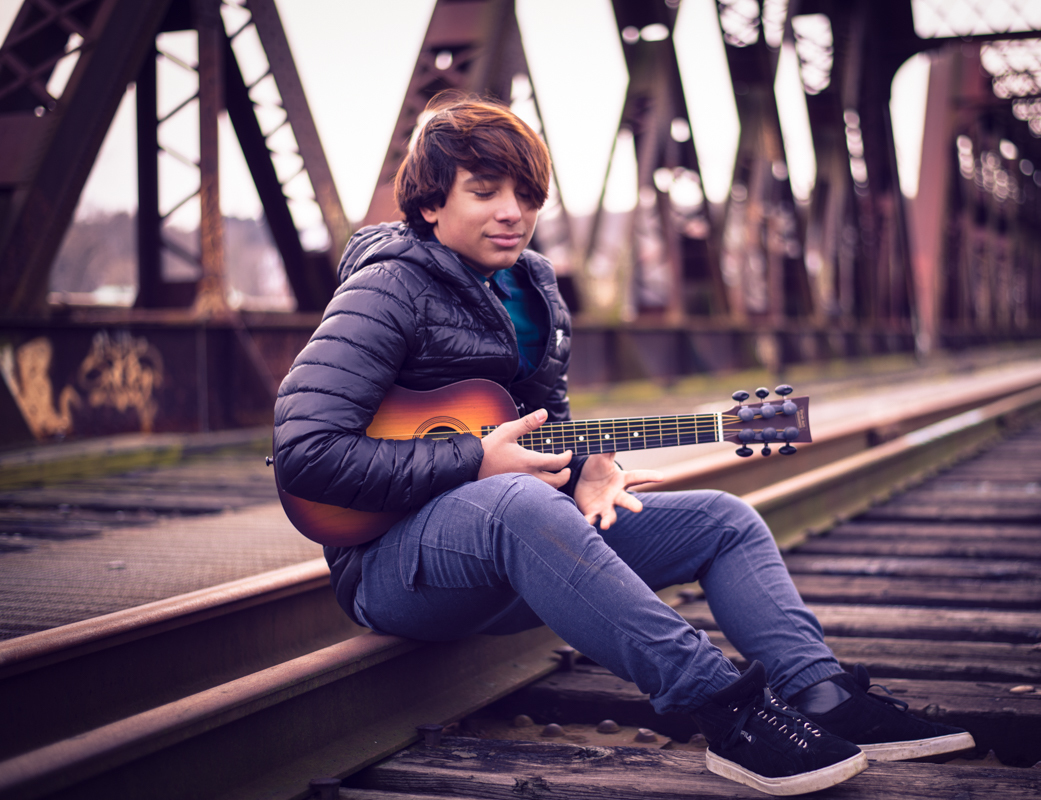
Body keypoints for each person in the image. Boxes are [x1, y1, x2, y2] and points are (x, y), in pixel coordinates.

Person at [273, 94, 974, 795]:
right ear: (431, 204)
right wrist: (474, 459)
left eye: (527, 195)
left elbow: (547, 425)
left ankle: (822, 694)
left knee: (723, 520)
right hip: (391, 571)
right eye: (484, 193)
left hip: (509, 557)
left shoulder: (533, 286)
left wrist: (587, 466)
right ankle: (728, 711)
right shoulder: (387, 288)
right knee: (517, 500)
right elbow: (306, 452)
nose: (512, 213)